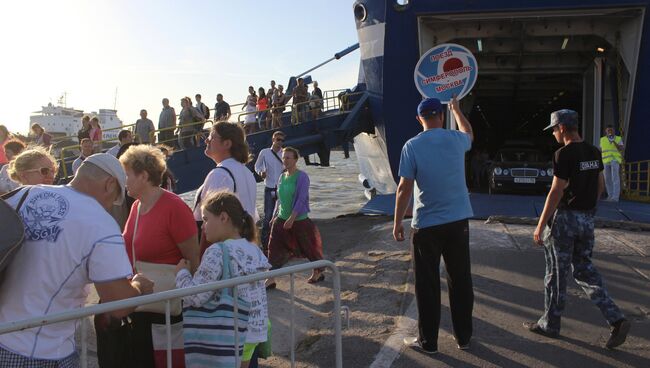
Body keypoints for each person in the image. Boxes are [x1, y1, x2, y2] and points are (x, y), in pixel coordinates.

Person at [0, 153, 154, 367]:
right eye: (114, 199)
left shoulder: (25, 193)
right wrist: (139, 286)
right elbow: (118, 303)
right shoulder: (101, 224)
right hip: (43, 351)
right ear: (110, 185)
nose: (111, 206)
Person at [526, 109, 630, 349]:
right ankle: (616, 319)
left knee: (555, 274)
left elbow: (556, 191)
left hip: (564, 222)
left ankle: (550, 324)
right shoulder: (594, 151)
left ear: (562, 127)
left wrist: (540, 225)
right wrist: (588, 212)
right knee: (584, 271)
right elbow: (600, 186)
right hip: (586, 220)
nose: (553, 134)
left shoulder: (563, 154)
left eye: (553, 129)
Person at [393, 96, 475, 354]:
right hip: (458, 222)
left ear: (419, 119)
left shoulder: (412, 146)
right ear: (440, 115)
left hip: (427, 225)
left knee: (427, 285)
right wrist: (458, 110)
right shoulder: (456, 139)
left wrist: (397, 222)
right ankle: (464, 338)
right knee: (460, 279)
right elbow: (469, 133)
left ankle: (429, 342)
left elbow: (404, 188)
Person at [117, 144, 200, 367]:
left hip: (167, 309)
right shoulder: (136, 206)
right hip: (142, 303)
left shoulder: (174, 207)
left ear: (143, 176)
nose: (123, 180)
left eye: (127, 175)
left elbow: (193, 259)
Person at [176, 191, 271, 368]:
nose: (202, 226)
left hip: (230, 333)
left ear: (223, 218)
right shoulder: (253, 249)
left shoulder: (217, 251)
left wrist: (182, 273)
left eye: (206, 219)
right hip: (254, 330)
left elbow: (196, 296)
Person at [193, 122, 259, 253]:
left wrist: (201, 258)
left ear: (227, 144)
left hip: (222, 249)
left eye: (212, 137)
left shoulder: (220, 174)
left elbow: (211, 220)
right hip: (243, 246)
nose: (206, 140)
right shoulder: (246, 172)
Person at [266, 147, 324, 288]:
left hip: (299, 219)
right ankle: (270, 278)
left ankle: (318, 271)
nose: (285, 160)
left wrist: (292, 218)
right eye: (283, 157)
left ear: (295, 160)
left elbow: (301, 199)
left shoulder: (302, 177)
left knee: (308, 247)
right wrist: (274, 216)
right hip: (281, 217)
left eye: (288, 158)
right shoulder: (282, 176)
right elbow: (279, 200)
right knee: (273, 247)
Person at [254, 131, 286, 250]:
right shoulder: (265, 152)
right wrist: (261, 172)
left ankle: (280, 242)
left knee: (282, 215)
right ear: (273, 139)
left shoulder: (284, 153)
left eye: (282, 140)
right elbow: (257, 166)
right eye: (278, 139)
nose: (280, 142)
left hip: (282, 188)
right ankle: (265, 242)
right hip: (269, 187)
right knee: (268, 216)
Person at [599, 125, 624, 202]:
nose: (610, 131)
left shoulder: (618, 138)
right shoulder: (602, 139)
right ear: (606, 131)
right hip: (605, 161)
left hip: (614, 160)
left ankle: (615, 197)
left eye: (611, 130)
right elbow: (601, 150)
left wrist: (613, 141)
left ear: (614, 131)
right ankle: (610, 196)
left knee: (615, 178)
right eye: (608, 130)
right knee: (607, 179)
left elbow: (621, 149)